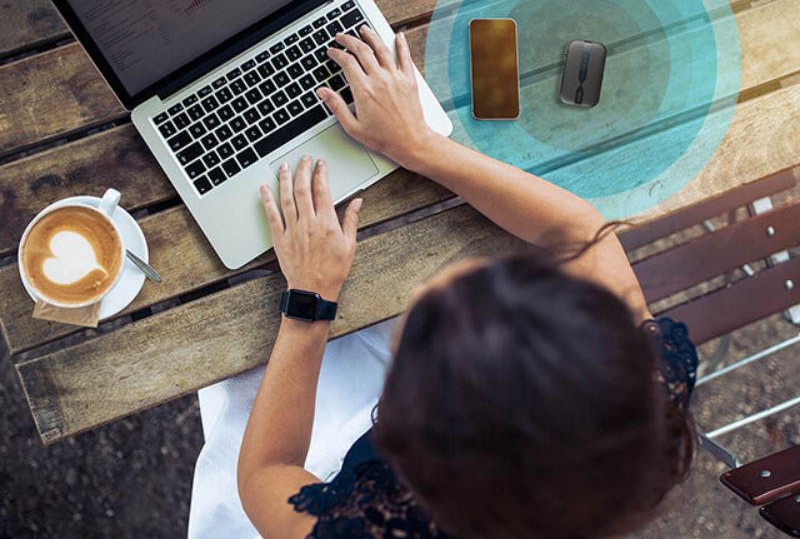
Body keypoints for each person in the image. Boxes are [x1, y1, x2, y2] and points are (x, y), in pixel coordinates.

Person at [188, 27, 697, 539]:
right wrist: (421, 146)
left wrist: (309, 302)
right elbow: (582, 235)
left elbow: (264, 478)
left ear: (411, 433)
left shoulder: (374, 527)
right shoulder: (642, 401)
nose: (430, 286)